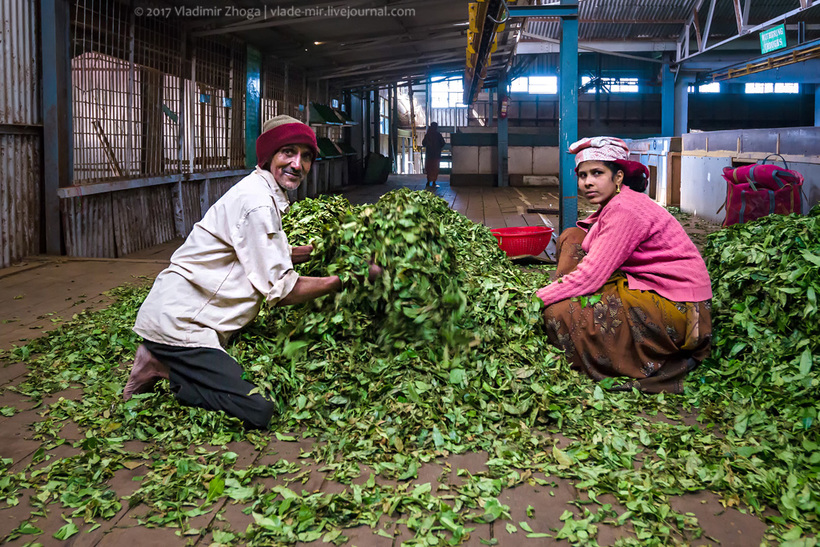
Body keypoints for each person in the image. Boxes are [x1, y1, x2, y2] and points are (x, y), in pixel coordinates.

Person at [123, 115, 380, 429]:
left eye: (306, 156)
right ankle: (164, 366)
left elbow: (262, 254)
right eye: (288, 153)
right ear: (269, 156)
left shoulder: (261, 192)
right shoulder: (256, 203)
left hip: (191, 312)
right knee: (258, 408)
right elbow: (283, 290)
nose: (298, 164)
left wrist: (320, 251)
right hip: (181, 323)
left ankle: (169, 358)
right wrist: (348, 279)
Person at [536, 136, 712, 393]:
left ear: (618, 177)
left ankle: (626, 363)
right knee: (573, 238)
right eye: (583, 175)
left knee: (557, 314)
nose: (588, 182)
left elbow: (589, 277)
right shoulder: (614, 204)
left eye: (597, 173)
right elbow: (586, 245)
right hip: (656, 285)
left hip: (682, 309)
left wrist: (536, 300)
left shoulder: (626, 209)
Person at [422, 122, 446, 188]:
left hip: (429, 155)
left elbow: (423, 143)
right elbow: (443, 143)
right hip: (436, 155)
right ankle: (434, 181)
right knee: (435, 168)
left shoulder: (428, 135)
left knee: (429, 168)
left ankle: (428, 181)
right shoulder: (438, 135)